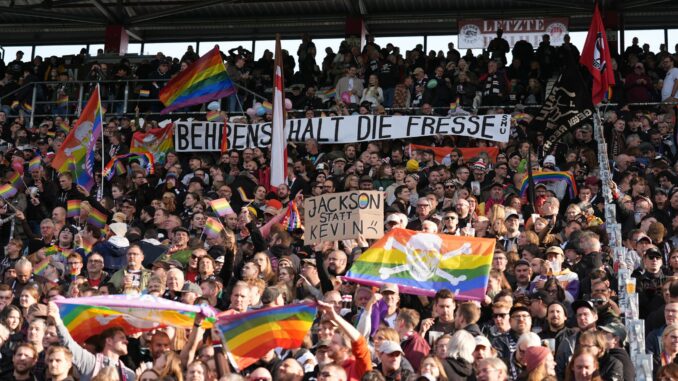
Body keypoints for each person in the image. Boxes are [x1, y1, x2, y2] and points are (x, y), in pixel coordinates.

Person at [48, 302, 136, 381]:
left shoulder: (129, 375)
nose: (126, 341)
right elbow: (69, 344)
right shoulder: (90, 363)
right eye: (122, 338)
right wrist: (58, 321)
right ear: (109, 341)